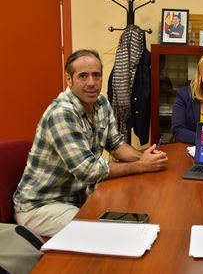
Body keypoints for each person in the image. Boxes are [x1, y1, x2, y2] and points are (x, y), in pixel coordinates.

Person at [13, 49, 168, 237]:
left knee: (133, 213)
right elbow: (89, 171)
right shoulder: (62, 113)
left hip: (77, 196)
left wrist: (144, 156)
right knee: (99, 233)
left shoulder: (101, 103)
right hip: (41, 206)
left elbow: (116, 144)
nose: (92, 83)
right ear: (69, 80)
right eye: (83, 76)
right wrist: (141, 165)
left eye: (96, 75)